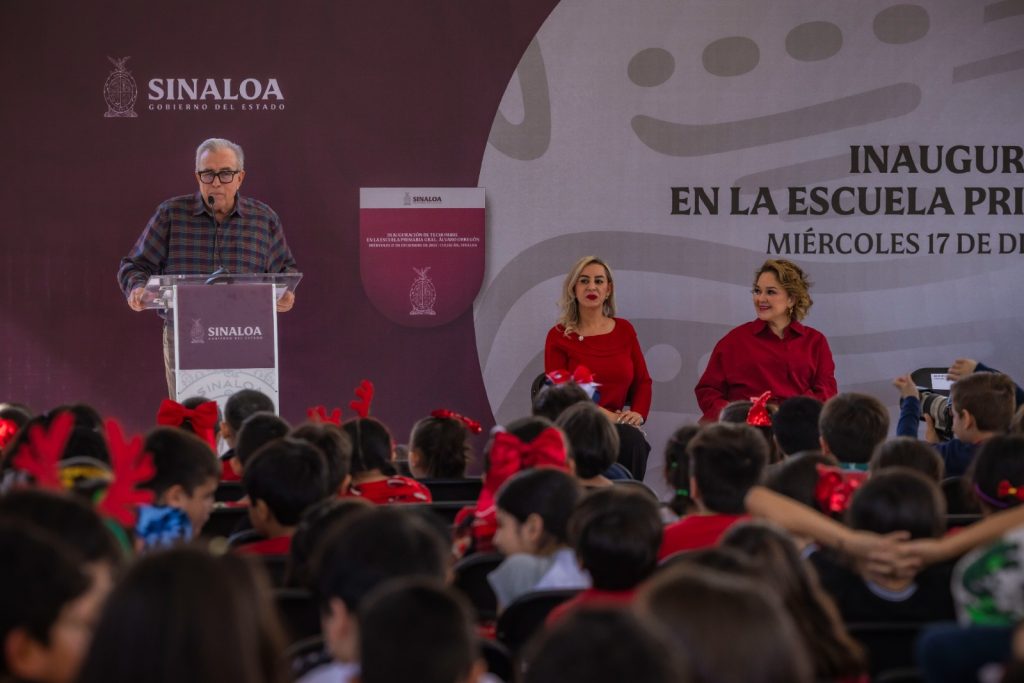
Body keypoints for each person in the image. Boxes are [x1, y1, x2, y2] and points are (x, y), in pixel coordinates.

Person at [117, 137, 298, 397]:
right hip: (187, 334)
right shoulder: (171, 214)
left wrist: (286, 295)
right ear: (197, 176)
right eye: (207, 174)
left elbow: (285, 271)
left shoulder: (264, 219)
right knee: (191, 419)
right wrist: (136, 287)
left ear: (240, 177)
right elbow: (134, 265)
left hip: (247, 333)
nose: (215, 182)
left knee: (244, 418)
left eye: (225, 174)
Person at [695, 259, 836, 423]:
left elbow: (826, 392)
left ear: (791, 299)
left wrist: (794, 414)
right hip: (746, 436)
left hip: (798, 432)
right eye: (757, 291)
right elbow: (708, 390)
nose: (760, 298)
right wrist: (736, 417)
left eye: (770, 292)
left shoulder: (815, 342)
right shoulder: (734, 340)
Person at [544, 256, 651, 427]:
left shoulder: (624, 329)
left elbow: (642, 382)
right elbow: (562, 396)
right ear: (573, 289)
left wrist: (637, 413)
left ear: (608, 289)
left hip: (619, 425)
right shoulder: (558, 335)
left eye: (599, 281)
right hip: (575, 424)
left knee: (633, 443)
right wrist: (613, 418)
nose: (591, 287)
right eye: (584, 281)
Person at [486, 468, 587, 611]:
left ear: (533, 528)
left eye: (501, 525)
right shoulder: (599, 571)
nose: (496, 539)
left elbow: (506, 631)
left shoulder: (518, 569)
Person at [894, 370, 1016, 477]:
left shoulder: (955, 454)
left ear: (967, 420)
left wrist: (911, 399)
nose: (951, 417)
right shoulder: (1017, 445)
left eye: (954, 414)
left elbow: (905, 451)